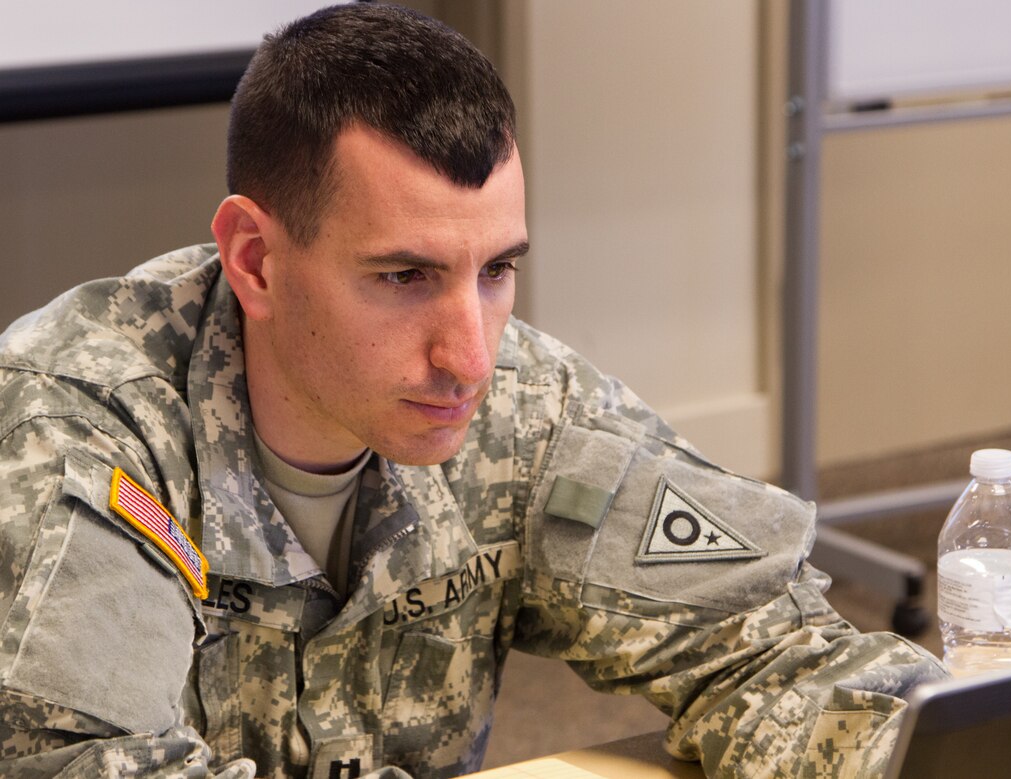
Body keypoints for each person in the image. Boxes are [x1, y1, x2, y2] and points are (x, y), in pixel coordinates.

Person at [0, 3, 947, 778]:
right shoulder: (83, 423)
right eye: (403, 277)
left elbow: (771, 652)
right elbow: (83, 764)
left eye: (496, 270)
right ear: (255, 259)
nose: (470, 355)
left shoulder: (528, 408)